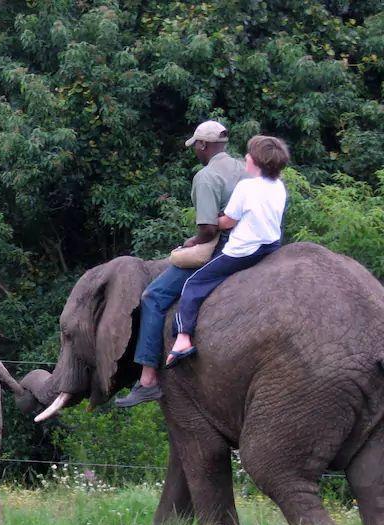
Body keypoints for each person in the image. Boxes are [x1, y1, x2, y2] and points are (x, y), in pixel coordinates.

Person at [115, 120, 248, 407]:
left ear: (202, 145)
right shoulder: (244, 168)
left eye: (195, 147)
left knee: (154, 296)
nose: (195, 152)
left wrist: (192, 241)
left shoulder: (206, 176)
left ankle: (148, 379)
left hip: (223, 247)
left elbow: (209, 229)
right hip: (253, 242)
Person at [165, 135, 290, 366]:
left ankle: (183, 338)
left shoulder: (246, 187)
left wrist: (213, 220)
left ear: (256, 162)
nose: (246, 157)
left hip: (244, 250)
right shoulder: (279, 186)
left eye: (249, 155)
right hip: (270, 245)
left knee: (193, 283)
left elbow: (227, 223)